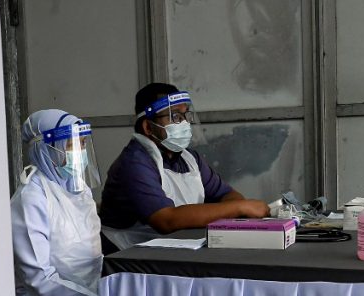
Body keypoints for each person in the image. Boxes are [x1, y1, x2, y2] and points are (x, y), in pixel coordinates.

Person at [99, 82, 270, 250]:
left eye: (185, 115)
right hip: (127, 255)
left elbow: (227, 195)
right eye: (175, 116)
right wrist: (239, 208)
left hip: (173, 248)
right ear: (148, 127)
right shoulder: (134, 163)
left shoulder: (189, 159)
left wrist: (236, 206)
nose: (184, 123)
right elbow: (166, 220)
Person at [11, 109, 103, 296]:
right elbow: (39, 278)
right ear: (45, 148)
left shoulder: (79, 189)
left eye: (83, 144)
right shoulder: (31, 198)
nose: (80, 152)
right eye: (71, 145)